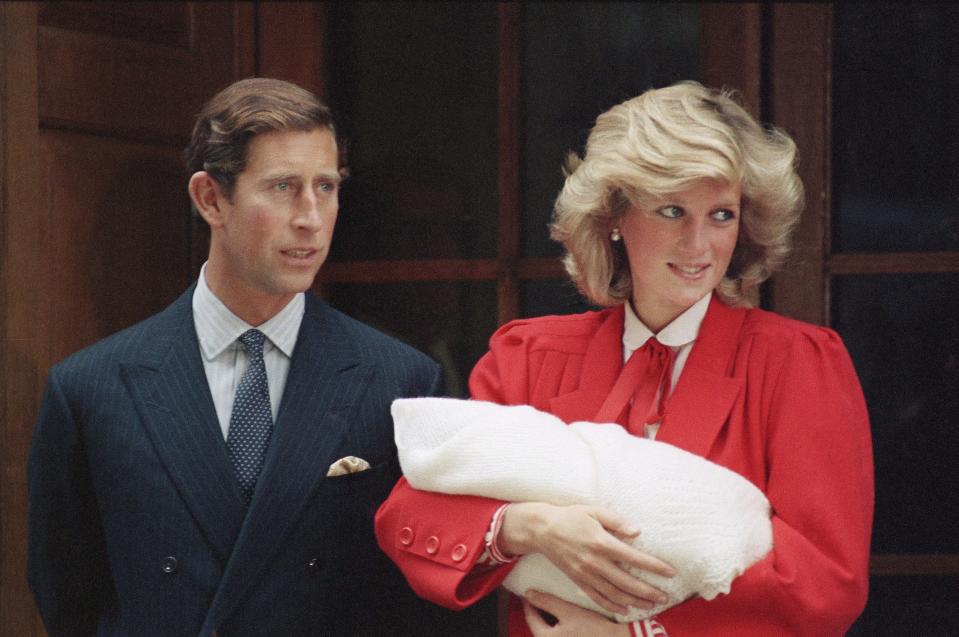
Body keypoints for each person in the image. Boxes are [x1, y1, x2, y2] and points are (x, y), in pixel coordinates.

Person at [375, 81, 874, 636]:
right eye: (671, 210)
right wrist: (532, 527)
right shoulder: (529, 355)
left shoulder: (799, 363)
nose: (699, 245)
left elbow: (827, 584)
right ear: (614, 215)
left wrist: (636, 635)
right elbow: (407, 515)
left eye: (722, 215)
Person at [27, 78, 490, 636]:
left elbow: (423, 604)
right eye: (282, 187)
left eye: (326, 187)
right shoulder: (91, 389)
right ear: (210, 199)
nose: (311, 217)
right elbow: (68, 598)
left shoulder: (401, 379)